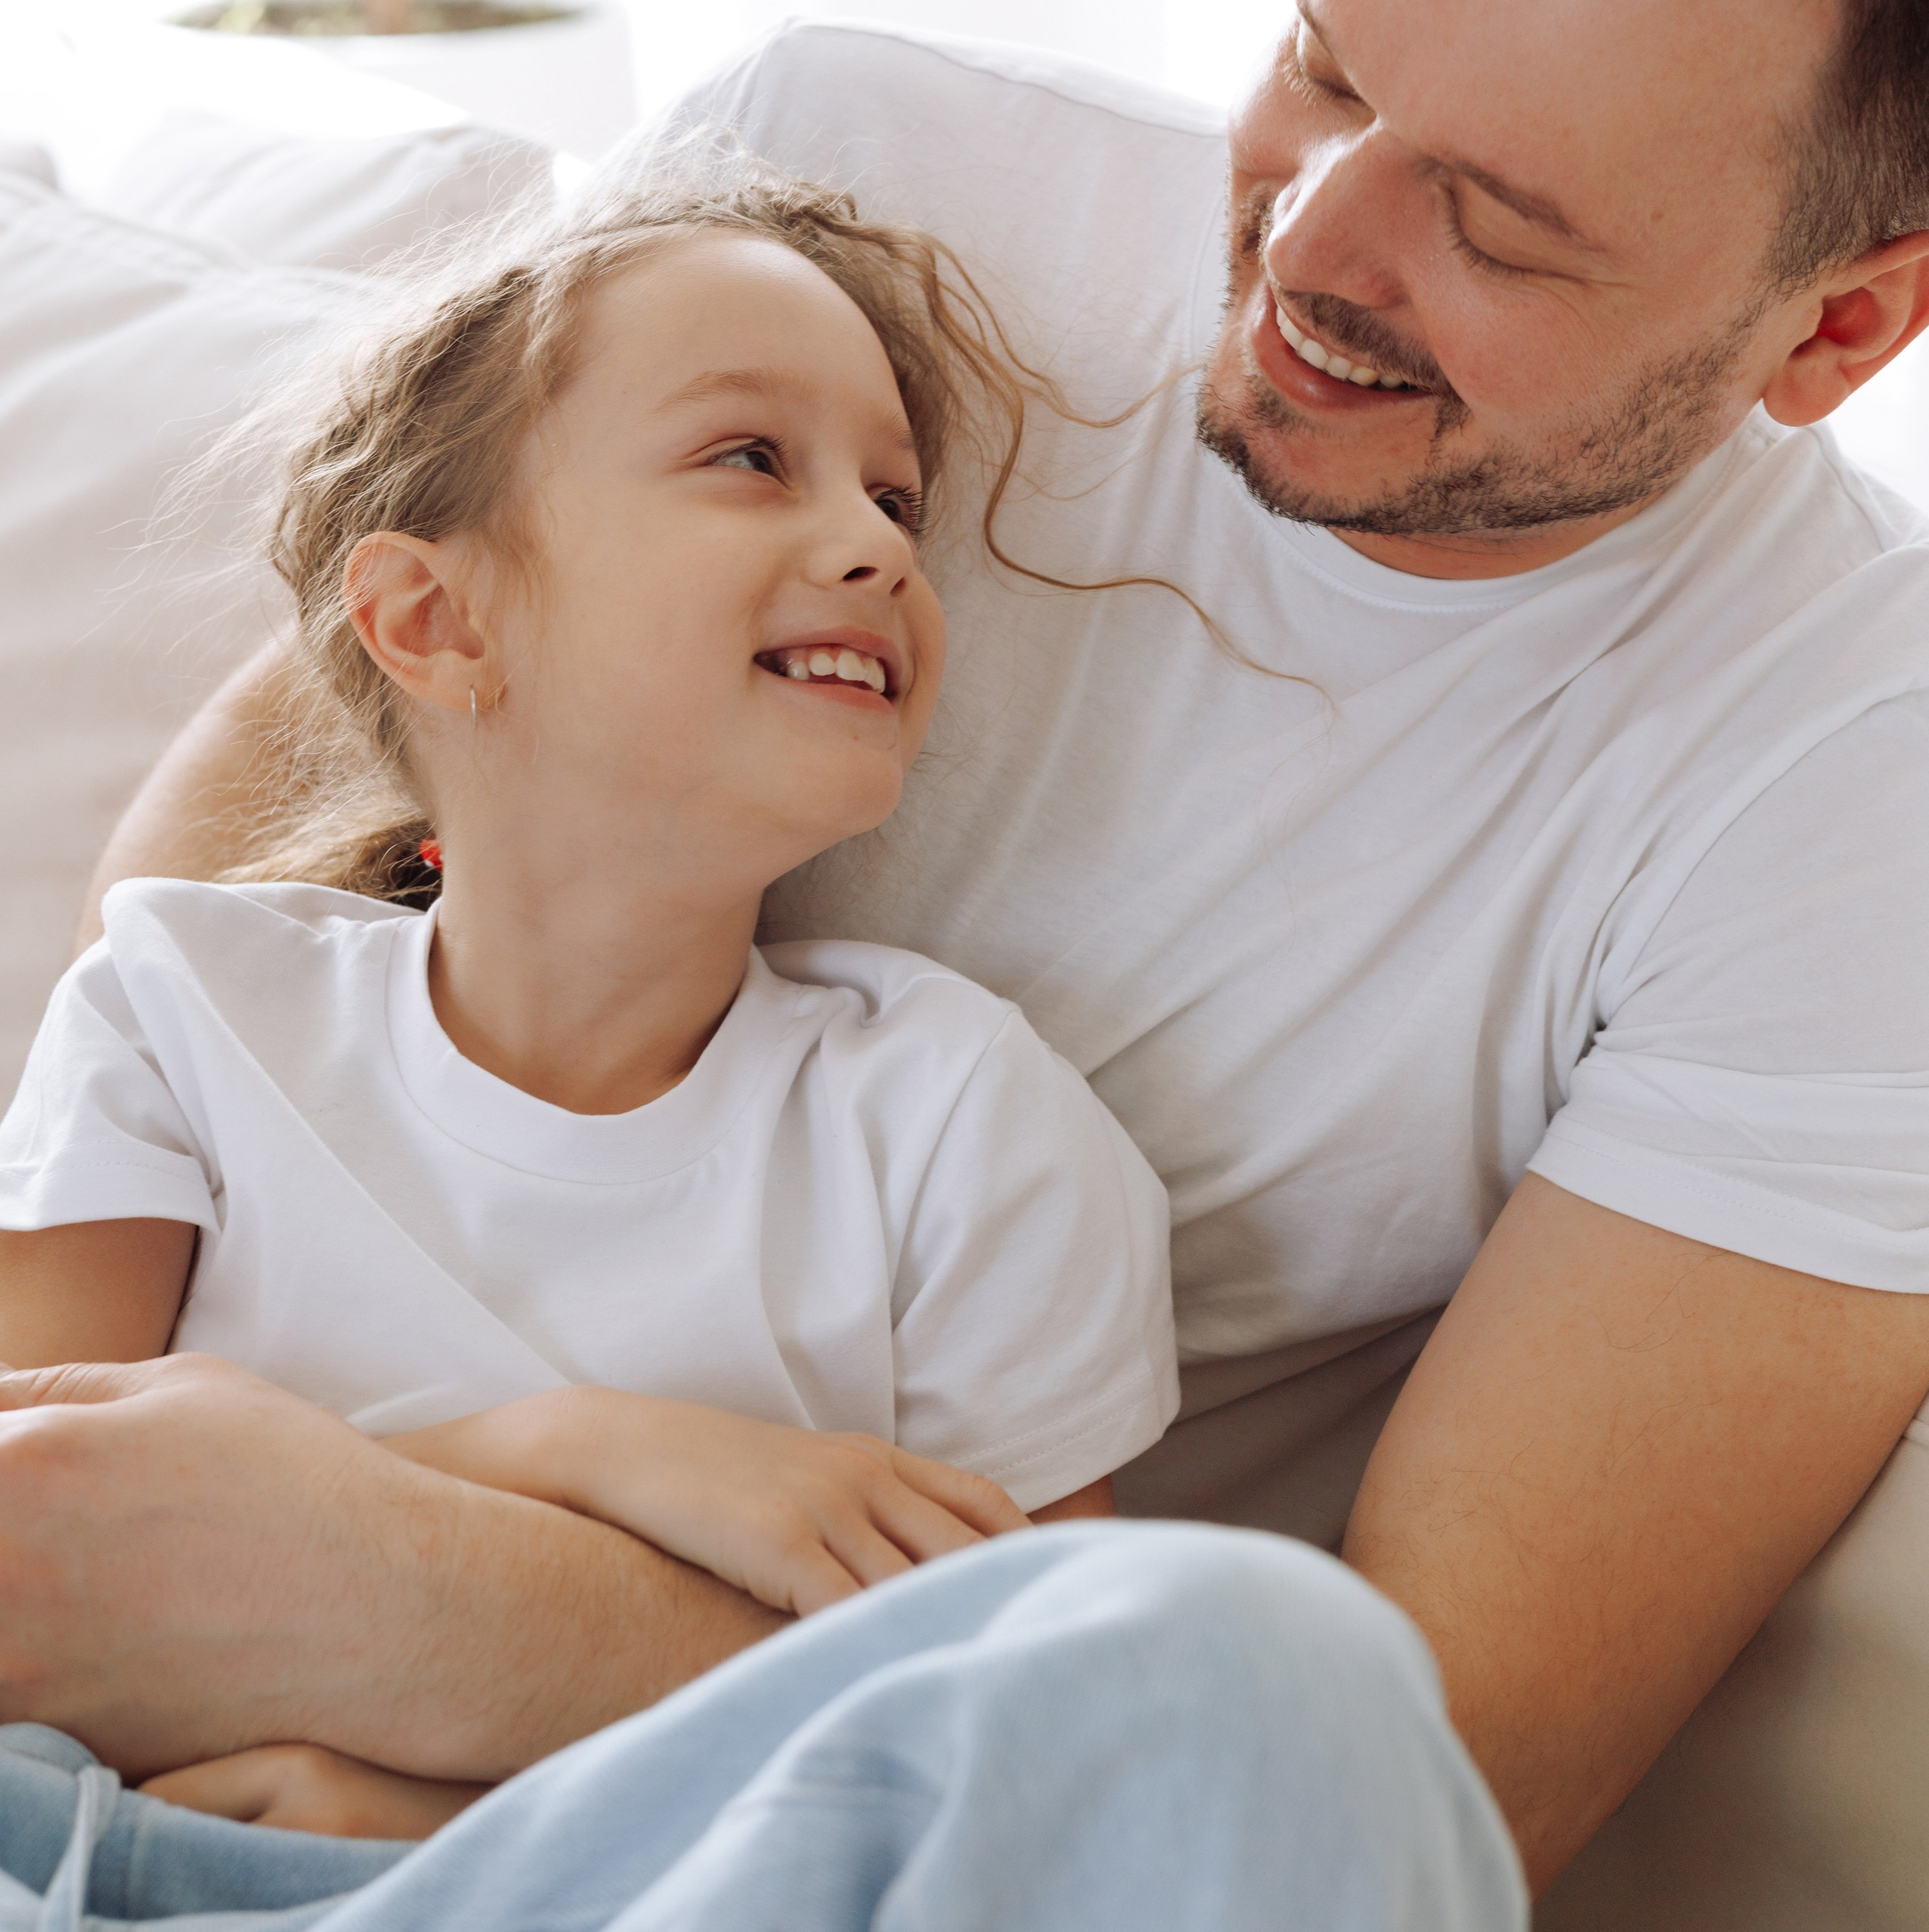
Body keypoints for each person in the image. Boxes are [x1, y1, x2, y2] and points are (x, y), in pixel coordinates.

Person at [6, 0, 1929, 1926]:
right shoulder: (856, 198)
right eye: (1325, 55)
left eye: (1501, 229)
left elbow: (1388, 1789)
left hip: (817, 1856)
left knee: (1255, 1677)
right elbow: (247, 910)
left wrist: (433, 1607)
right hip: (171, 1761)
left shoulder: (1849, 787)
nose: (1309, 239)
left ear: (1836, 328)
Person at [0, 162, 1179, 1833]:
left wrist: (416, 1811)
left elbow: (1039, 1758)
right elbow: (26, 1536)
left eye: (894, 500)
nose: (868, 541)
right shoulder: (179, 1009)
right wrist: (590, 1450)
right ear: (434, 616)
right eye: (748, 458)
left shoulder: (956, 1122)